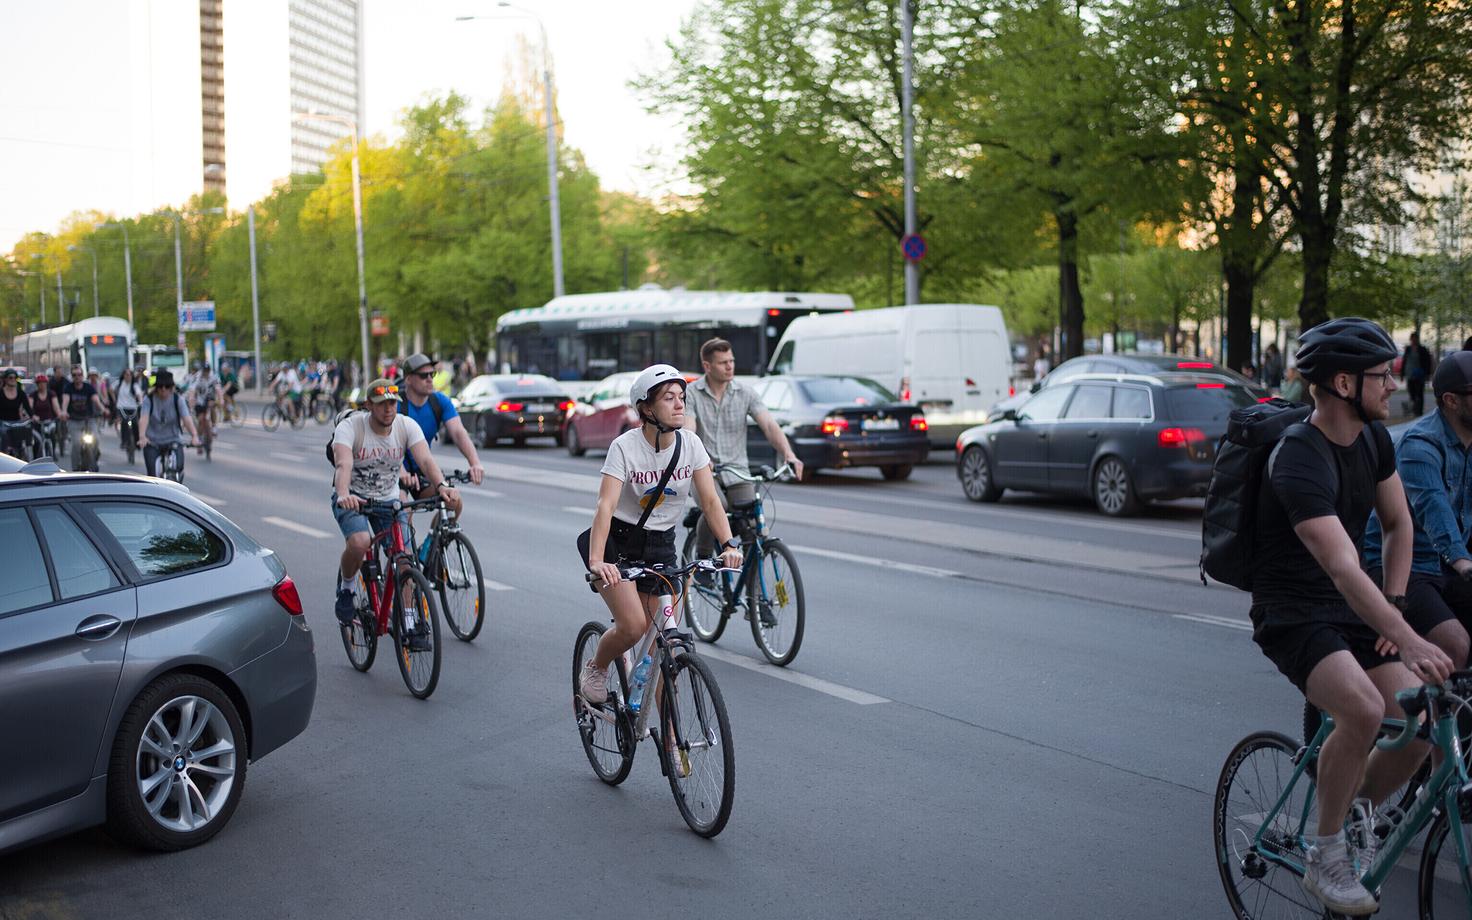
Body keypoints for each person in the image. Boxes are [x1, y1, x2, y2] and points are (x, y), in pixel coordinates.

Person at [1247, 317, 1451, 915]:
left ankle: (1349, 803)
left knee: (1419, 704)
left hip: (1353, 604)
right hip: (1293, 613)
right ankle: (1324, 854)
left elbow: (1398, 524)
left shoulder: (1373, 440)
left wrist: (1394, 608)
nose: (1394, 384)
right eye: (1381, 375)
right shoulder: (1297, 460)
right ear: (1342, 383)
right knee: (1362, 707)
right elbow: (1339, 568)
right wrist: (1408, 638)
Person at [577, 365, 744, 719]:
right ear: (647, 409)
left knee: (662, 644)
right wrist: (597, 562)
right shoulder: (624, 447)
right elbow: (605, 506)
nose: (680, 404)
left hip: (662, 547)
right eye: (669, 398)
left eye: (682, 397)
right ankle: (597, 667)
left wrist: (728, 544)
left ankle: (671, 742)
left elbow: (711, 501)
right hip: (617, 546)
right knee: (634, 626)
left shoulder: (691, 445)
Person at [1361, 349, 1472, 674]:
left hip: (1450, 564)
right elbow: (1433, 510)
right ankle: (1430, 720)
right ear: (1452, 401)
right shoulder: (1419, 446)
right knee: (1455, 643)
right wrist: (1462, 561)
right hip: (1407, 564)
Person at [331, 379, 459, 645]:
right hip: (355, 499)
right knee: (360, 542)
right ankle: (347, 588)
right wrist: (344, 494)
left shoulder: (405, 425)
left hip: (390, 501)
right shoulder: (351, 428)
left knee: (405, 561)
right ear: (369, 406)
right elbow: (343, 464)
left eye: (392, 403)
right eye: (381, 404)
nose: (388, 409)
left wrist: (442, 486)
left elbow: (425, 460)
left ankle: (410, 620)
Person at [684, 337, 804, 559]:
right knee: (716, 505)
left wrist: (788, 453)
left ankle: (752, 586)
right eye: (723, 362)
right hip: (703, 469)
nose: (730, 366)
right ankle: (702, 561)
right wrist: (698, 455)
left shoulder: (745, 393)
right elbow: (688, 429)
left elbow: (768, 424)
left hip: (737, 470)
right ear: (707, 366)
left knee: (751, 523)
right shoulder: (692, 393)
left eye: (732, 361)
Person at [396, 354, 484, 520]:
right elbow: (385, 443)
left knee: (453, 502)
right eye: (423, 376)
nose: (430, 379)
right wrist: (401, 472)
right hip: (396, 470)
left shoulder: (439, 401)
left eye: (432, 374)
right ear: (408, 379)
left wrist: (475, 463)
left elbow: (458, 432)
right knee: (403, 514)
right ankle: (404, 547)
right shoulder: (397, 404)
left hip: (423, 470)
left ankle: (437, 542)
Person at [138, 371, 199, 478]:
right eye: (160, 386)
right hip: (152, 441)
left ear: (171, 387)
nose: (163, 389)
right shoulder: (149, 400)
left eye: (167, 386)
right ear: (156, 387)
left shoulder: (178, 399)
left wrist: (194, 436)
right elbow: (144, 419)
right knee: (152, 474)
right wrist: (142, 437)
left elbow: (186, 418)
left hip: (173, 439)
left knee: (178, 467)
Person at [59, 365, 105, 468]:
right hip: (74, 421)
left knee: (96, 439)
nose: (77, 377)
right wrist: (64, 411)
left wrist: (103, 410)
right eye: (74, 375)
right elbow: (65, 401)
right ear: (72, 376)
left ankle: (94, 456)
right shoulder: (68, 388)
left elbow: (96, 400)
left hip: (89, 420)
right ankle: (75, 469)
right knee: (76, 443)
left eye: (79, 375)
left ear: (83, 375)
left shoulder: (88, 387)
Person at [111, 367, 145, 455]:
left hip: (133, 408)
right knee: (124, 423)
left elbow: (139, 394)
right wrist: (114, 399)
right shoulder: (119, 383)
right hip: (121, 407)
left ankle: (137, 443)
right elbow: (110, 389)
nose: (128, 377)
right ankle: (124, 442)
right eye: (126, 375)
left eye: (129, 375)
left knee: (135, 424)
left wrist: (140, 402)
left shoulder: (134, 385)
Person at [0, 368, 32, 457]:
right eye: (10, 377)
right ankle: (3, 456)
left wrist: (33, 417)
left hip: (17, 423)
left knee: (29, 435)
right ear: (5, 379)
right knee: (3, 435)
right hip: (3, 423)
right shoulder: (1, 393)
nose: (13, 380)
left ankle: (24, 457)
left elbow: (28, 408)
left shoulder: (21, 393)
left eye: (15, 378)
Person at [189, 364, 220, 453]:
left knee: (212, 405)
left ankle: (214, 426)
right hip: (199, 399)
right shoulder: (197, 377)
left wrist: (221, 399)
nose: (206, 373)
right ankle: (199, 438)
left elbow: (218, 389)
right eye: (204, 371)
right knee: (201, 419)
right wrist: (191, 400)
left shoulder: (213, 376)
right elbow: (192, 390)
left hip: (209, 397)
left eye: (207, 371)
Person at [1402, 331, 1433, 417]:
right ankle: (1414, 409)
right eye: (1412, 338)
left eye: (1415, 338)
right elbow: (1404, 361)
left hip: (1420, 375)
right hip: (1409, 374)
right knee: (1411, 392)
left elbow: (1427, 361)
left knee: (1419, 393)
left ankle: (1419, 411)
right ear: (1410, 339)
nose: (1413, 340)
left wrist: (1427, 374)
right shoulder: (1408, 349)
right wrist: (1402, 374)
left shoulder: (1422, 349)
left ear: (1417, 339)